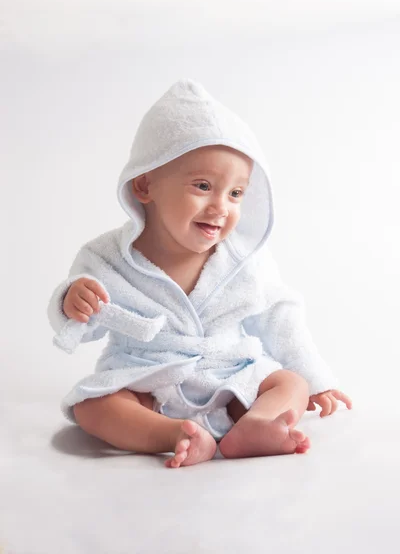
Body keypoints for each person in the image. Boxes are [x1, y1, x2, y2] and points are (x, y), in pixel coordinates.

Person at [48, 79, 352, 468]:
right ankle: (174, 434)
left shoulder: (245, 258)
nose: (221, 207)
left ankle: (256, 423)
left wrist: (316, 377)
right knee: (92, 406)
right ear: (145, 185)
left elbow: (280, 317)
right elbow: (83, 325)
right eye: (204, 186)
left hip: (231, 373)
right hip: (147, 378)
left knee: (290, 383)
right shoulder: (106, 256)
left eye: (236, 193)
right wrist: (72, 301)